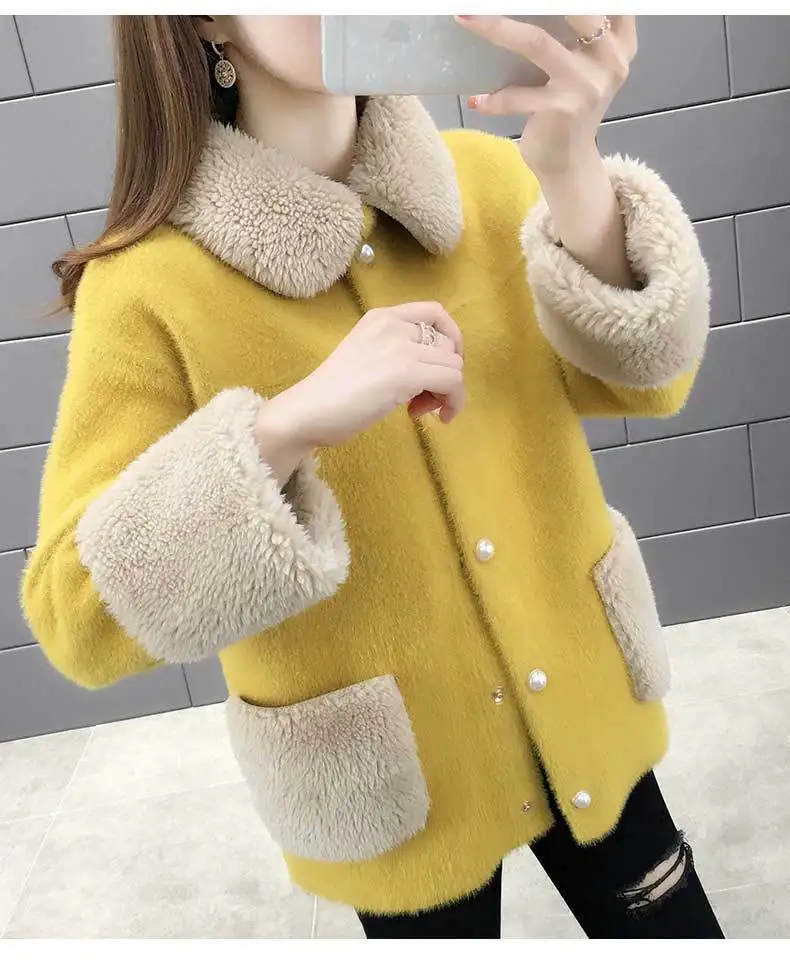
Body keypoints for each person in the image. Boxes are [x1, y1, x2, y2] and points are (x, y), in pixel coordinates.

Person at [22, 14, 724, 939]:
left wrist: (570, 167)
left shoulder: (493, 181)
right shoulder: (147, 288)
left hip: (589, 700)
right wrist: (282, 429)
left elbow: (655, 380)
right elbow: (75, 620)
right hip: (391, 787)